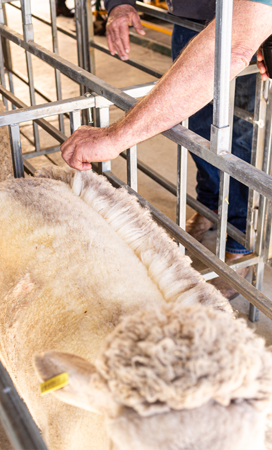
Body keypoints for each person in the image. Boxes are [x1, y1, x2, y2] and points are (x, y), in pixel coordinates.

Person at [60, 0, 272, 299]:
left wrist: (117, 135)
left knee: (234, 137)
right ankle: (210, 204)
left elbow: (235, 45)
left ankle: (239, 241)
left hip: (243, 18)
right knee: (195, 126)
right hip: (190, 13)